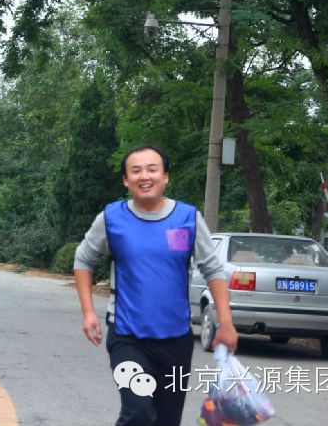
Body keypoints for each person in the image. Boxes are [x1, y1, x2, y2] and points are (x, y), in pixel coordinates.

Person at [73, 144, 237, 426]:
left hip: (176, 339)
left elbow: (212, 269)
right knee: (137, 412)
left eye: (152, 169)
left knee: (167, 420)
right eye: (136, 171)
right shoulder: (112, 218)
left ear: (165, 177)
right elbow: (83, 260)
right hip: (127, 336)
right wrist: (88, 312)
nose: (144, 176)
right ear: (126, 180)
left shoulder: (187, 219)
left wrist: (226, 323)